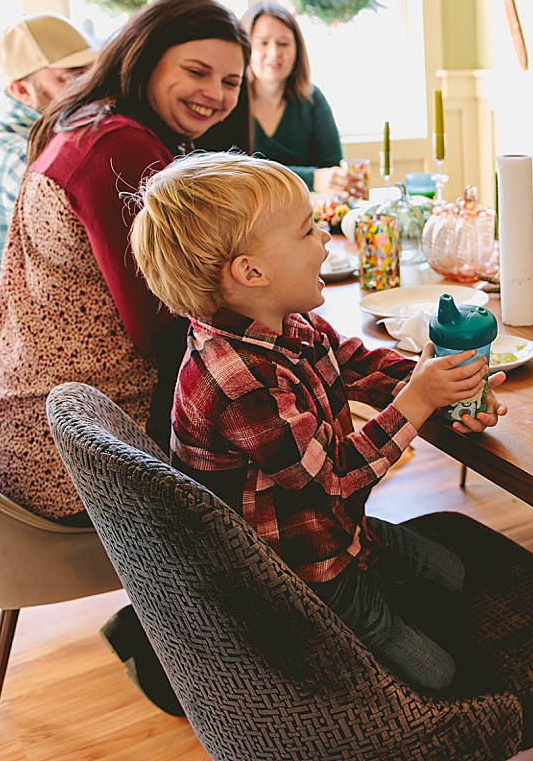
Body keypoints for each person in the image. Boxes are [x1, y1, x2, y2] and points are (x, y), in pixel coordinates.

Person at [129, 151, 506, 692]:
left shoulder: (286, 322)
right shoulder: (235, 378)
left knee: (454, 579)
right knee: (438, 678)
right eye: (309, 230)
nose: (326, 238)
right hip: (295, 571)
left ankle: (388, 607)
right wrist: (419, 400)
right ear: (250, 272)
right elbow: (333, 476)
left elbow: (356, 362)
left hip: (336, 531)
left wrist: (441, 382)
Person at [0, 0, 247, 524]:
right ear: (145, 57)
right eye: (197, 71)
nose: (215, 95)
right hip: (80, 454)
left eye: (232, 83)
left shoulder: (92, 123)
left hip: (33, 429)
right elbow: (162, 321)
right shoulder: (118, 145)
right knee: (289, 454)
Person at [0, 14, 95, 376]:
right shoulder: (24, 158)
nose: (90, 85)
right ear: (20, 91)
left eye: (89, 70)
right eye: (70, 76)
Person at [241, 0, 359, 197]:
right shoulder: (229, 102)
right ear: (245, 47)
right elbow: (231, 176)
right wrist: (312, 178)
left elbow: (331, 171)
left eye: (283, 43)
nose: (274, 53)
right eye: (262, 43)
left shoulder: (313, 100)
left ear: (297, 49)